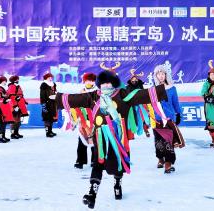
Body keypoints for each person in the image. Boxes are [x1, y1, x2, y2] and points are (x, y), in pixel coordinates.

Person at [53, 68, 168, 209]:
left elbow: (141, 95)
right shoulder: (93, 96)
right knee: (97, 163)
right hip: (100, 138)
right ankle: (92, 194)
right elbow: (75, 99)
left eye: (109, 83)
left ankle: (117, 183)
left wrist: (161, 90)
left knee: (117, 166)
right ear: (99, 84)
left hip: (119, 138)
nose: (106, 86)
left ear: (114, 84)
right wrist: (59, 97)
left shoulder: (123, 94)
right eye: (103, 83)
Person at [153, 64, 185, 174]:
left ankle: (168, 163)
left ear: (166, 75)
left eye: (162, 74)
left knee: (168, 141)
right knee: (159, 142)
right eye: (158, 74)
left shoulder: (172, 88)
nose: (161, 76)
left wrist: (179, 114)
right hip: (157, 119)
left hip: (169, 118)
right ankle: (160, 159)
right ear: (155, 76)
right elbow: (149, 105)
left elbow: (176, 102)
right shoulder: (153, 90)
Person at [74, 72, 97, 169]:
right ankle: (80, 161)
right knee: (82, 140)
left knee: (95, 140)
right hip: (83, 119)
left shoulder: (98, 92)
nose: (89, 82)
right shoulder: (81, 91)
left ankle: (95, 161)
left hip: (95, 119)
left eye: (91, 80)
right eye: (87, 80)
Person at [126, 69, 152, 137]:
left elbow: (144, 94)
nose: (134, 81)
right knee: (133, 118)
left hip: (141, 105)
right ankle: (132, 133)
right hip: (132, 106)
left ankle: (146, 129)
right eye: (133, 80)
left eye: (135, 80)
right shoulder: (128, 87)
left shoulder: (140, 86)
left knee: (143, 117)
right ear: (130, 80)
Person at [0, 76, 14, 143]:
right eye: (5, 81)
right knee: (0, 123)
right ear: (2, 81)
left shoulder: (2, 88)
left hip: (3, 107)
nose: (6, 82)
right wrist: (6, 99)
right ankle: (0, 138)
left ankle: (3, 136)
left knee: (4, 122)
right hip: (0, 108)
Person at [40, 73, 58, 138]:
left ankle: (51, 131)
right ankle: (47, 132)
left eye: (51, 77)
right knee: (47, 118)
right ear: (46, 78)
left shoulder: (53, 84)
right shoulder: (44, 84)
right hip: (47, 103)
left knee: (51, 118)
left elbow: (55, 92)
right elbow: (42, 95)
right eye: (49, 77)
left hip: (53, 103)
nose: (50, 78)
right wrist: (44, 104)